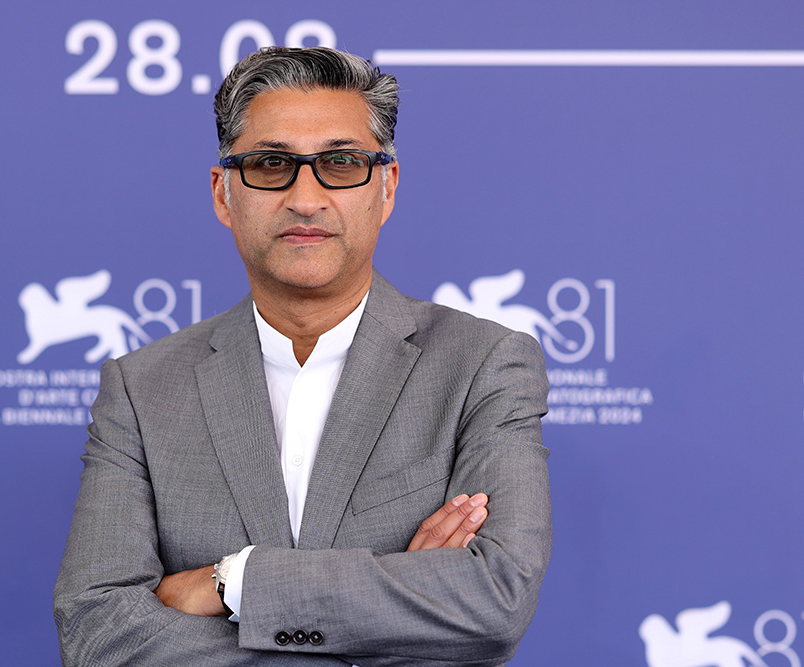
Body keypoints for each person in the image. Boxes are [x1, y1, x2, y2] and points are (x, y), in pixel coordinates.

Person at [54, 46, 551, 666]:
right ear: (223, 192)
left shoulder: (482, 365)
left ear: (387, 185)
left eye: (340, 164)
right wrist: (389, 616)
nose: (307, 196)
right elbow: (98, 635)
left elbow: (493, 603)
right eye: (270, 163)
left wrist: (232, 582)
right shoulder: (142, 387)